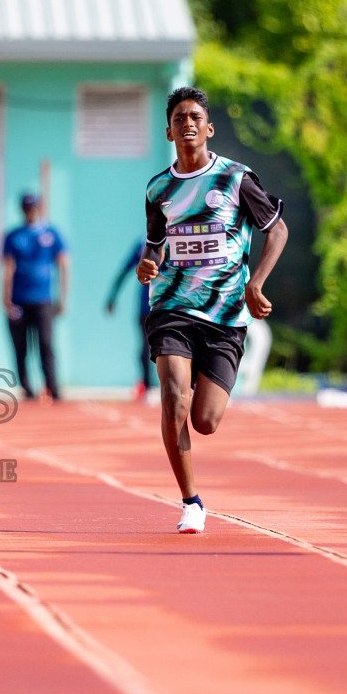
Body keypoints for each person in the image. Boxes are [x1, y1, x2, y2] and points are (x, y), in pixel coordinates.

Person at [137, 86, 288, 534]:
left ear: (209, 127)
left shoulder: (237, 178)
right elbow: (155, 245)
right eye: (180, 117)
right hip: (172, 306)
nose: (187, 123)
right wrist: (150, 263)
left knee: (205, 420)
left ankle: (206, 378)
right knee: (173, 398)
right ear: (169, 130)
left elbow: (276, 231)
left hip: (224, 317)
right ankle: (191, 502)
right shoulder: (158, 188)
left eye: (195, 116)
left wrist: (255, 282)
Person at [2, 193, 68, 400]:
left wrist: (63, 297)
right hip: (19, 299)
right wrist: (5, 297)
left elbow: (63, 265)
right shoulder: (13, 236)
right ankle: (27, 388)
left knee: (45, 344)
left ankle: (52, 387)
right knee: (20, 346)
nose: (30, 211)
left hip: (43, 300)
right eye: (26, 208)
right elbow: (8, 267)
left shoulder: (52, 233)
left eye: (33, 207)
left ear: (38, 208)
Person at [105, 238, 152, 402]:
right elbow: (124, 271)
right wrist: (112, 296)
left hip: (169, 307)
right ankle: (147, 385)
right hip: (146, 307)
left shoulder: (176, 241)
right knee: (145, 348)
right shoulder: (142, 245)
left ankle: (185, 386)